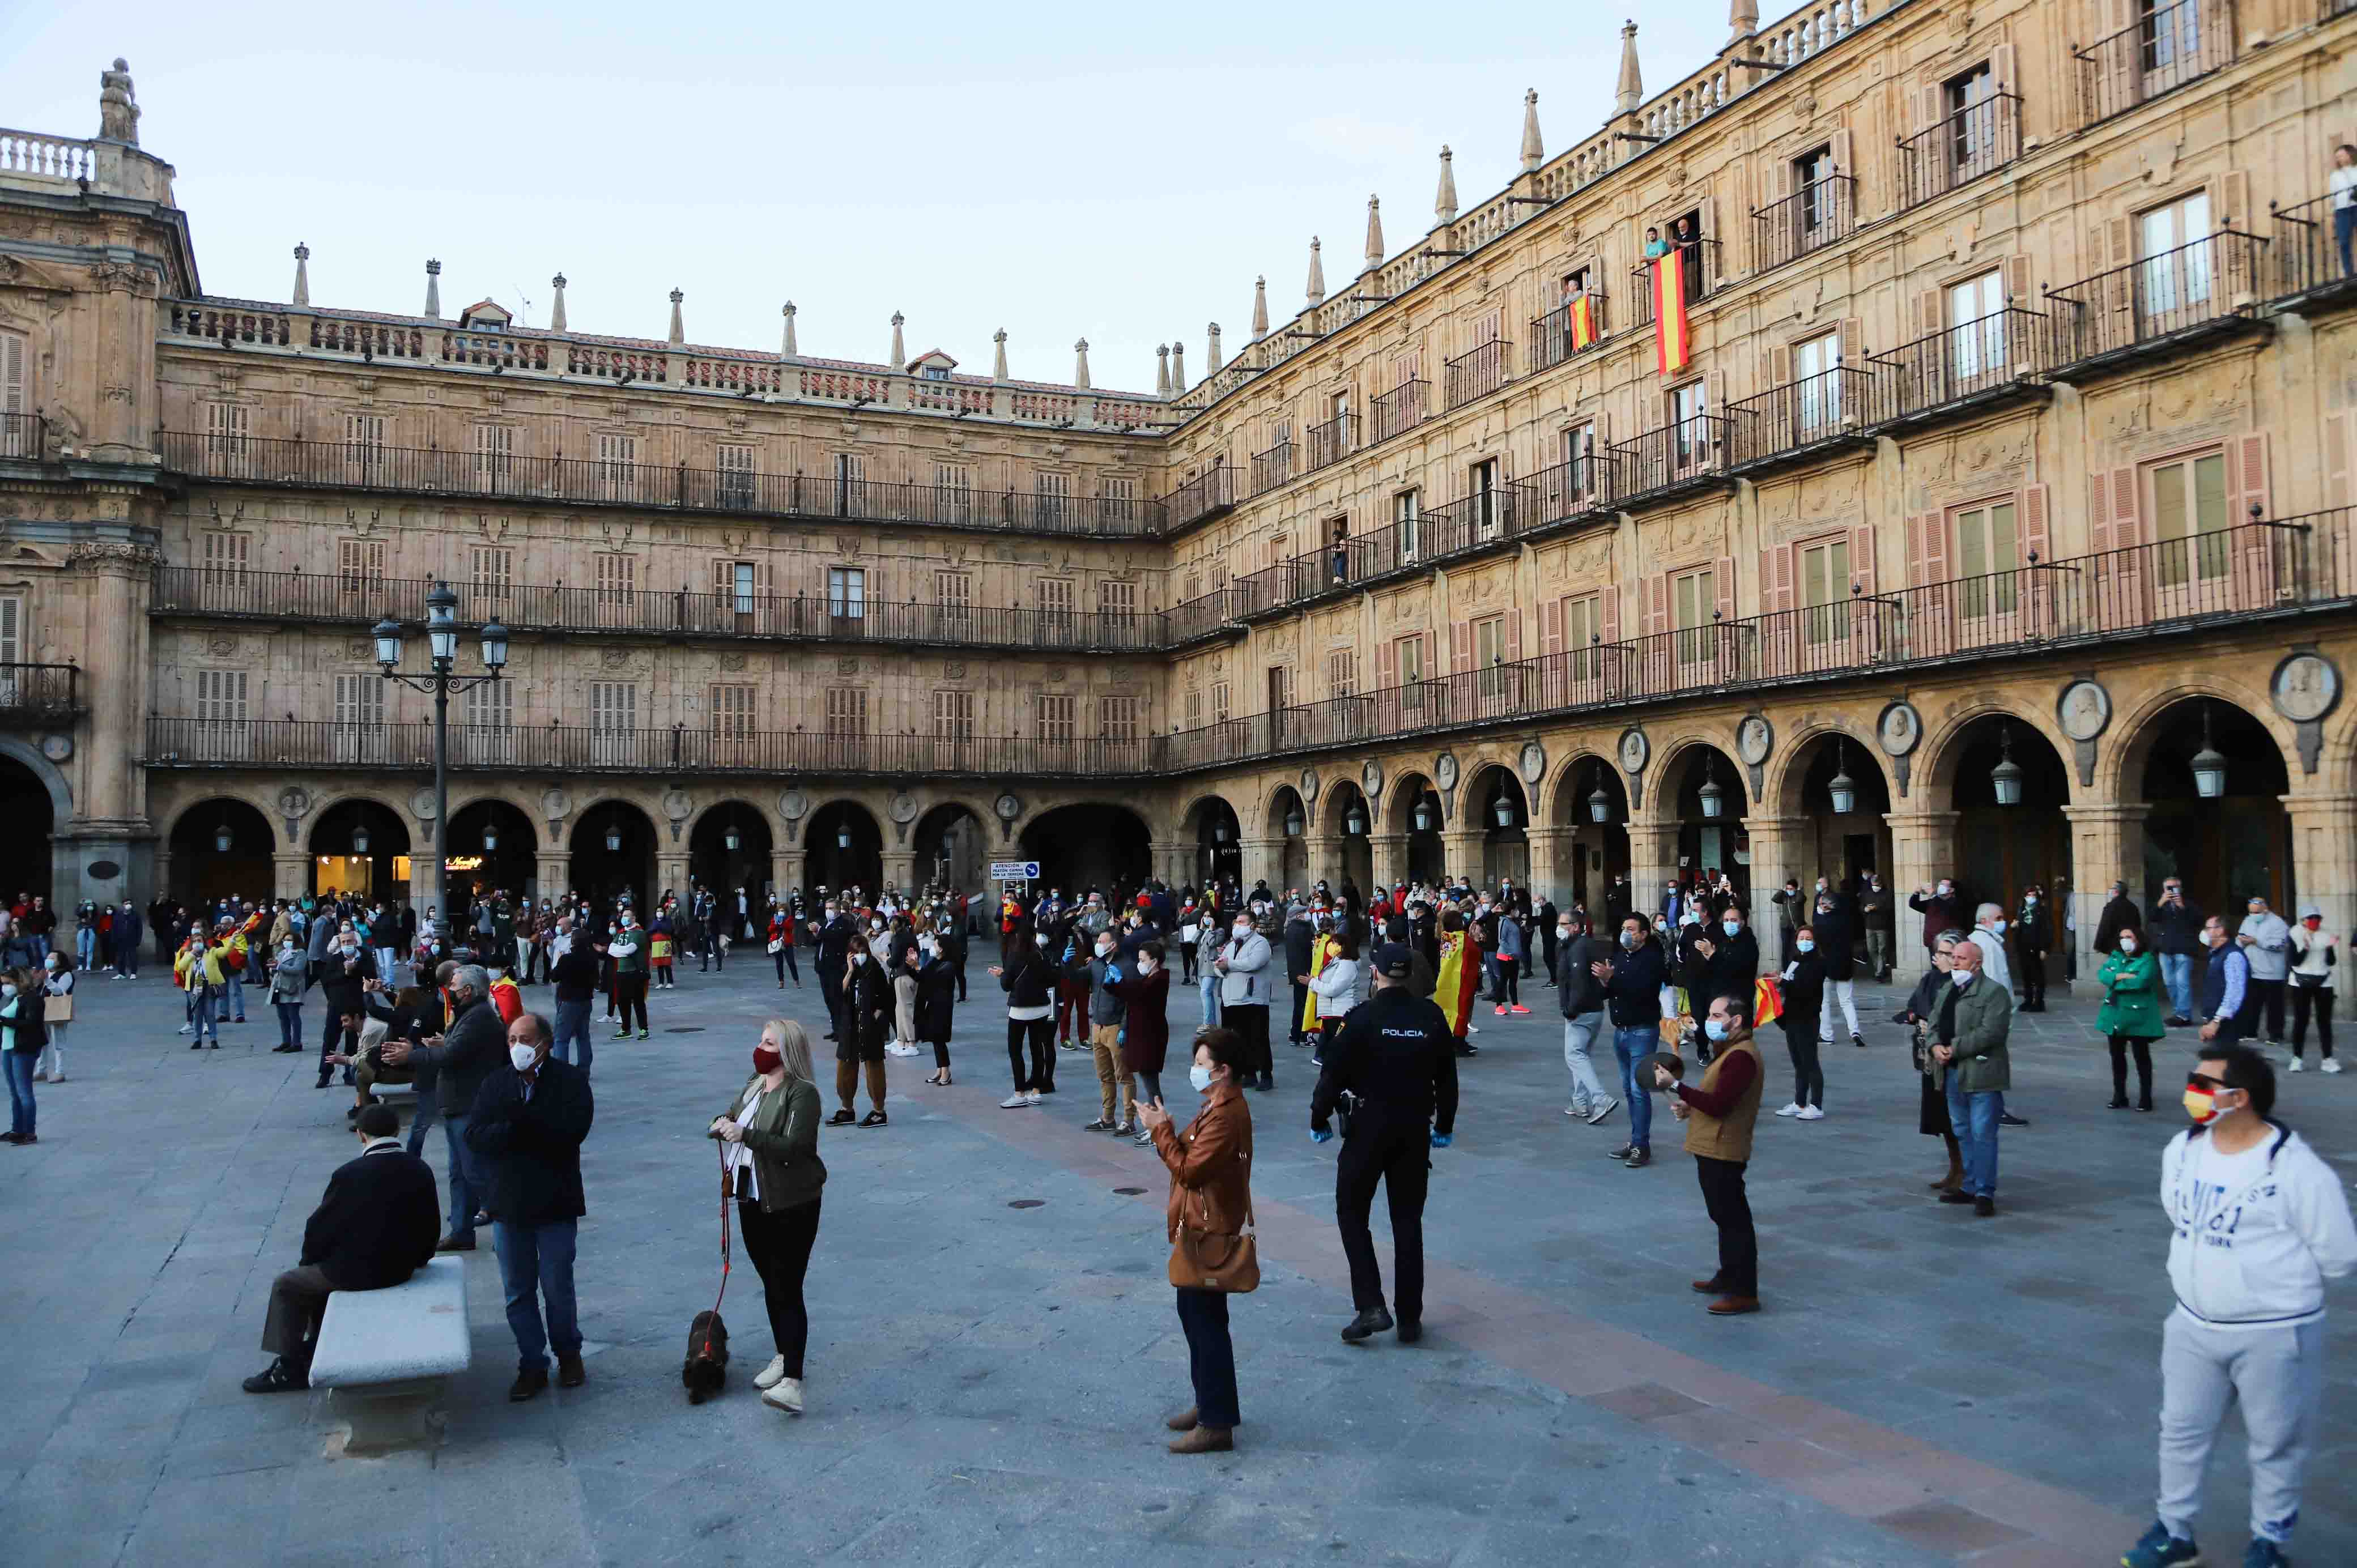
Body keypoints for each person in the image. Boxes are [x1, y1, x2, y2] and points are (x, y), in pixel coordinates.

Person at [2121, 1043, 2356, 1568]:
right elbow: (2176, 1211)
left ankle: (2269, 1542)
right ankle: (2174, 1532)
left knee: (2275, 1443)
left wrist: (2269, 1285)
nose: (2193, 1093)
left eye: (2204, 1084)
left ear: (2241, 1098)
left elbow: (2339, 1256)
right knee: (2179, 1431)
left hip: (2274, 1333)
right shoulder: (2183, 1149)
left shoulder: (2296, 1169)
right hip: (2191, 1323)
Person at [1311, 943, 1458, 1344]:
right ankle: (1410, 1317)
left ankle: (1371, 1305)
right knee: (1407, 1221)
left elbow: (1333, 1073)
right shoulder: (1430, 1016)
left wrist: (1318, 1116)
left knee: (1351, 1211)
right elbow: (1447, 1079)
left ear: (1375, 973)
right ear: (1409, 975)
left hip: (1368, 1127)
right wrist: (1444, 1124)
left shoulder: (1361, 1017)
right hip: (1413, 1129)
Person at [240, 1104, 440, 1393]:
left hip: (358, 1273)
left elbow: (320, 1228)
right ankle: (316, 1345)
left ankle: (290, 1367)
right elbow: (431, 1225)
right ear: (397, 1131)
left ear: (361, 1135)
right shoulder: (420, 1168)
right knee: (318, 1279)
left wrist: (309, 1261)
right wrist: (418, 1259)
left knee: (289, 1285)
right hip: (402, 1268)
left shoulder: (349, 1174)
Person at [466, 1010, 593, 1400]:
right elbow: (475, 1135)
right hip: (509, 1203)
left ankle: (568, 1353)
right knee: (517, 1290)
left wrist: (520, 1126)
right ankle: (531, 1362)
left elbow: (572, 1131)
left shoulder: (570, 1080)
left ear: (545, 1043)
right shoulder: (496, 1083)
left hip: (555, 1201)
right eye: (511, 1040)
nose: (517, 1047)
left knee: (557, 1286)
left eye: (524, 1039)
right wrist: (516, 1128)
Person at [1139, 1026, 1253, 1455]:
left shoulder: (1225, 1115)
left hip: (1211, 1227)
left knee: (1205, 1324)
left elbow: (1189, 1170)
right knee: (1196, 1317)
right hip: (1201, 1223)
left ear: (1223, 1071)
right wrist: (1166, 1126)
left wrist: (1160, 1130)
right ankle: (1209, 1403)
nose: (1195, 1072)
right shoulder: (1216, 1106)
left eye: (1202, 1066)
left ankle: (1216, 1422)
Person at [710, 1018, 827, 1416]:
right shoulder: (755, 1084)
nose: (761, 1048)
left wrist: (746, 1136)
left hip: (792, 1202)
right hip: (752, 1198)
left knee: (787, 1285)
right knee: (770, 1281)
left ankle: (793, 1380)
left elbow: (795, 1146)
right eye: (760, 1040)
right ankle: (783, 1352)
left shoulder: (803, 1095)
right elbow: (733, 1113)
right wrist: (721, 1123)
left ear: (788, 1051)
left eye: (769, 1043)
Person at [381, 964, 506, 1252]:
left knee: (475, 1172)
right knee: (458, 1174)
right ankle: (462, 1232)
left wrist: (414, 1054)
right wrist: (442, 1043)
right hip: (456, 1105)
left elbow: (453, 1055)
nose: (450, 987)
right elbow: (456, 1048)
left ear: (468, 991)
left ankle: (509, 1224)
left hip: (469, 1105)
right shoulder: (469, 1014)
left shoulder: (479, 1017)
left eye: (455, 983)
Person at [1657, 991, 1767, 1315]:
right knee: (1723, 1216)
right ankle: (1728, 1274)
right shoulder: (1730, 1050)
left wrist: (1676, 1086)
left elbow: (1721, 1105)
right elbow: (1716, 1096)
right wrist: (1689, 1107)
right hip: (1713, 1143)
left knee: (1734, 1220)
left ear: (1737, 1021)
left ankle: (1744, 1291)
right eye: (1710, 1015)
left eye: (1718, 1016)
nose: (1710, 1022)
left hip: (1725, 1146)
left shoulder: (1741, 1056)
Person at [1931, 938, 2011, 1217]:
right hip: (1952, 1073)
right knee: (1963, 1131)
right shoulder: (1947, 989)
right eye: (1953, 957)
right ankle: (1968, 1185)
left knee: (1983, 1134)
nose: (1955, 962)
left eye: (1961, 958)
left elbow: (1992, 1032)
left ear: (1977, 963)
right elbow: (1934, 1023)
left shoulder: (1994, 993)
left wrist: (1954, 1048)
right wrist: (1934, 1046)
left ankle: (1985, 1192)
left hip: (1982, 1074)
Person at [1898, 932, 1968, 1192]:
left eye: (1951, 953)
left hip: (1952, 1056)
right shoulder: (1930, 980)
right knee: (1941, 1117)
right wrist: (1914, 1015)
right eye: (1942, 953)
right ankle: (1955, 1168)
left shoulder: (1962, 984)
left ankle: (1965, 1171)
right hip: (1930, 1057)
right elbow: (1915, 1004)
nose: (1945, 958)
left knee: (1957, 1117)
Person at [1605, 915, 1669, 1168]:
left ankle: (1642, 1145)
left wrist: (1613, 980)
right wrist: (1604, 981)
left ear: (1643, 934)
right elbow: (1611, 992)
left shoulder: (1651, 959)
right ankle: (1634, 1140)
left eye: (1631, 929)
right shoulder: (1620, 955)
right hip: (1620, 1031)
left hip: (1642, 1031)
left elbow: (1643, 992)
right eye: (1623, 928)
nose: (1625, 933)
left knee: (1638, 1090)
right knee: (1628, 1090)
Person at [1107, 940, 1172, 1146]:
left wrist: (1118, 983)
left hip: (1151, 1037)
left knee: (1151, 1083)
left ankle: (1158, 1128)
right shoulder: (1148, 979)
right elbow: (1132, 993)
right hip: (1144, 1036)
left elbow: (1137, 994)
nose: (1140, 963)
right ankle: (1155, 1127)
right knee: (1149, 1081)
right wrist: (1114, 984)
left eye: (1143, 959)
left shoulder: (1159, 979)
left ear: (1154, 961)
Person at [1555, 910, 1616, 1124]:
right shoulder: (1573, 946)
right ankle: (1580, 1102)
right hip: (1593, 1010)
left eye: (1564, 924)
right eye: (1559, 923)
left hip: (1582, 1011)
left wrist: (1571, 1009)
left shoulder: (1580, 947)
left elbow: (1579, 981)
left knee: (1575, 1056)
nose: (1560, 927)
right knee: (1581, 1057)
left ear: (1576, 926)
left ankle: (1601, 1098)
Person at [2099, 924, 2165, 1111]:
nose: (2125, 941)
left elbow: (2141, 981)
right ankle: (2119, 1095)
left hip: (2138, 1015)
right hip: (2115, 1014)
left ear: (2138, 939)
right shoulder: (2115, 956)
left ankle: (2146, 1098)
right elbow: (2103, 975)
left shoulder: (2147, 959)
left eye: (2129, 937)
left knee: (2141, 1057)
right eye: (2122, 937)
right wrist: (2119, 976)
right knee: (2117, 1057)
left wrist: (2116, 980)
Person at [1215, 906, 1275, 1091]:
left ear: (1252, 925)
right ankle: (1249, 1074)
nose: (1237, 925)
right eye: (1236, 922)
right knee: (1239, 1039)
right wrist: (1221, 966)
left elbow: (1253, 963)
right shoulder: (1232, 944)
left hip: (1253, 999)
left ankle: (1266, 1075)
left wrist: (1229, 964)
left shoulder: (1261, 943)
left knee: (1259, 1038)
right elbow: (1221, 965)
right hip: (1231, 998)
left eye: (1241, 922)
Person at [833, 941, 890, 1128]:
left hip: (870, 1027)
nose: (859, 955)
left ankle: (879, 1111)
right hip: (850, 1027)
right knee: (845, 1067)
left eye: (863, 951)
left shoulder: (875, 970)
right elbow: (839, 994)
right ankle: (847, 1109)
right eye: (855, 952)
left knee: (874, 1067)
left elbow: (887, 996)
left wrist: (878, 1013)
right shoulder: (846, 970)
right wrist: (850, 971)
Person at [1774, 925, 1826, 1119]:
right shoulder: (1795, 961)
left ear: (1814, 942)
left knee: (1810, 1061)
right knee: (1799, 1062)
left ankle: (1817, 1105)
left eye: (1808, 938)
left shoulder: (1818, 963)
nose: (1804, 941)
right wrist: (1779, 980)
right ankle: (1800, 1102)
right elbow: (1790, 984)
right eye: (1801, 937)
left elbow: (1807, 988)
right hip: (1793, 1016)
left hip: (1808, 1018)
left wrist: (1783, 983)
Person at [2286, 904, 2339, 1073]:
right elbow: (2295, 961)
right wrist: (2307, 947)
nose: (2315, 921)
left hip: (2323, 981)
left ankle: (2328, 1059)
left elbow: (2331, 962)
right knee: (2301, 1020)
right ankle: (2297, 1059)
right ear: (2303, 920)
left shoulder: (2326, 934)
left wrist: (2330, 947)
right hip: (2301, 981)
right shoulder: (2294, 934)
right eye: (2311, 918)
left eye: (2317, 918)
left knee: (2324, 1022)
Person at [2150, 877, 2206, 1026]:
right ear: (2164, 890)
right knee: (2169, 982)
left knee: (2182, 982)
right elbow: (2152, 918)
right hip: (2165, 948)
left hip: (2184, 948)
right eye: (2168, 888)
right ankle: (2178, 1012)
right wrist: (2161, 903)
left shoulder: (2189, 905)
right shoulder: (2161, 906)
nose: (2172, 890)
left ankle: (2184, 1015)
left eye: (2175, 887)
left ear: (2180, 888)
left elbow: (2199, 921)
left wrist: (2182, 907)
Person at [2237, 895, 2291, 1050]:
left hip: (2271, 971)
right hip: (2252, 970)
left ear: (2265, 909)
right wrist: (2241, 942)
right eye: (2251, 913)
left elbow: (2280, 945)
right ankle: (2250, 1031)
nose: (2254, 916)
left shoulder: (2278, 924)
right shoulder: (2248, 921)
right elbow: (2240, 937)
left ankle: (2276, 1033)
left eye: (2257, 912)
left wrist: (2257, 942)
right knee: (2251, 1003)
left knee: (2274, 1005)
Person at [2, 966, 46, 1144]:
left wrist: (4, 1021)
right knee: (14, 1093)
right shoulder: (12, 998)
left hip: (23, 1048)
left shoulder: (33, 998)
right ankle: (17, 1129)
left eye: (7, 983)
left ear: (19, 981)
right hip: (8, 1047)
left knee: (24, 1092)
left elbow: (30, 1023)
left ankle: (30, 1132)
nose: (4, 987)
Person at [2197, 914, 2252, 1046]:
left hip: (2227, 1023)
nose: (2205, 932)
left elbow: (2234, 992)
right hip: (2217, 1021)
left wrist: (2216, 1022)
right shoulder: (2217, 954)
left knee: (2223, 1062)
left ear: (2220, 930)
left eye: (2208, 928)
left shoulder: (2232, 955)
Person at [610, 911, 650, 1040]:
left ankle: (643, 1029)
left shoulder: (639, 933)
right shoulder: (621, 933)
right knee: (622, 1002)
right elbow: (611, 950)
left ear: (634, 918)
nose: (624, 918)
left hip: (635, 972)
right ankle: (625, 1029)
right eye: (623, 916)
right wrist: (622, 952)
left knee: (638, 1002)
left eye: (627, 916)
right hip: (621, 972)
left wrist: (619, 951)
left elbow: (630, 950)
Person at [2013, 884, 2051, 1012]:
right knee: (2026, 975)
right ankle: (2028, 1000)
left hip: (2036, 947)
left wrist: (2045, 949)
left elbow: (2047, 930)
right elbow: (2019, 927)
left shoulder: (2041, 910)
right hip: (2024, 947)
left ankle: (2039, 1002)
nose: (2031, 898)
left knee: (2038, 976)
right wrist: (2015, 927)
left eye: (2033, 895)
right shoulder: (2022, 910)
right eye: (2028, 895)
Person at [36, 950, 71, 1083]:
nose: (49, 960)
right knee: (42, 1042)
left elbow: (59, 992)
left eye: (52, 958)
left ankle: (60, 1071)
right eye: (48, 957)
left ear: (60, 961)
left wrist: (46, 980)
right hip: (42, 1011)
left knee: (59, 1042)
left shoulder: (66, 975)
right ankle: (41, 1070)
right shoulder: (46, 973)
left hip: (57, 1010)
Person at [1909, 877, 1964, 957]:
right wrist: (1917, 892)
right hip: (1932, 942)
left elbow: (1942, 906)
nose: (1940, 886)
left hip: (1947, 943)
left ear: (1951, 890)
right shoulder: (1934, 901)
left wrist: (1932, 895)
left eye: (1943, 885)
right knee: (1936, 967)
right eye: (1940, 884)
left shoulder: (1955, 902)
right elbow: (1914, 904)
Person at [1858, 873, 1894, 982]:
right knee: (1871, 950)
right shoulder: (1867, 894)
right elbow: (1861, 906)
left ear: (1881, 884)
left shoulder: (1887, 894)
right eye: (1873, 884)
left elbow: (1890, 908)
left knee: (1882, 949)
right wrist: (1865, 909)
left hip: (1883, 926)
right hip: (1870, 925)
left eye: (1877, 884)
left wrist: (1877, 908)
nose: (1875, 886)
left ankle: (1879, 973)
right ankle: (1880, 968)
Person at [768, 903, 799, 989]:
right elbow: (770, 929)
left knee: (791, 962)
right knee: (779, 963)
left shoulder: (790, 919)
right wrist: (776, 923)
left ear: (786, 912)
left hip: (787, 943)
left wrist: (782, 922)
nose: (780, 912)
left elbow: (790, 927)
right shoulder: (774, 919)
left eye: (782, 911)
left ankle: (796, 980)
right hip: (778, 943)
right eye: (779, 911)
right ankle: (781, 981)